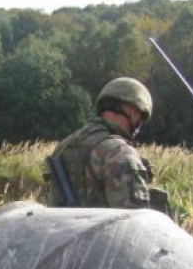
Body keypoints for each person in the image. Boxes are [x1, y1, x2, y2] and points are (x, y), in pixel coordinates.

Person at [47, 77, 168, 211]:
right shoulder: (120, 152)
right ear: (133, 112)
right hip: (106, 226)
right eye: (141, 116)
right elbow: (134, 218)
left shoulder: (64, 146)